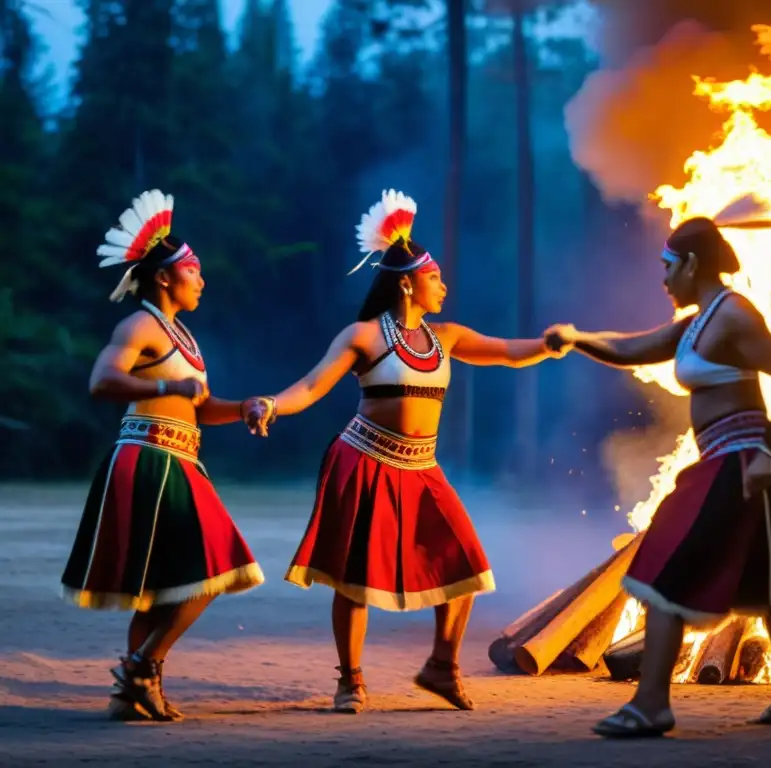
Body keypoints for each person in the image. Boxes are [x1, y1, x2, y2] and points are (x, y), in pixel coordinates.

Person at [242, 188, 568, 714]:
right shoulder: (364, 336)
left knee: (465, 564)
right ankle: (350, 681)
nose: (443, 284)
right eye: (434, 277)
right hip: (363, 460)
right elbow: (308, 386)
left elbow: (508, 353)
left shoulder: (448, 336)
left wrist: (553, 343)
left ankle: (442, 666)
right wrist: (270, 405)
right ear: (407, 283)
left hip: (421, 467)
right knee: (355, 578)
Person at [545, 198, 771, 737]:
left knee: (665, 566)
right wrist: (579, 340)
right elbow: (632, 347)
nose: (664, 281)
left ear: (692, 264)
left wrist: (766, 445)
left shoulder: (735, 313)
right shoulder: (697, 324)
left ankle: (652, 705)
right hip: (723, 458)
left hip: (746, 460)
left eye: (668, 269)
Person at [60, 189, 266, 723]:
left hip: (178, 457)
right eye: (193, 271)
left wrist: (241, 408)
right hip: (149, 457)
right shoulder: (140, 326)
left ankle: (131, 693)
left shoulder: (182, 337)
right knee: (221, 565)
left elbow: (197, 405)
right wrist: (164, 391)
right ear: (163, 278)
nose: (201, 280)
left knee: (155, 591)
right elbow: (102, 379)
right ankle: (139, 667)